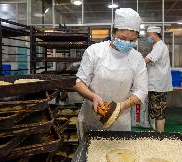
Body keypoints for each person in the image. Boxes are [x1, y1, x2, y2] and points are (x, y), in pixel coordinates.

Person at [74, 8, 148, 139]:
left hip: (120, 119)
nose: (127, 43)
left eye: (132, 40)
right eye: (122, 38)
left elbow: (141, 91)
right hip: (92, 116)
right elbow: (79, 83)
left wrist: (120, 107)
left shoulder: (137, 58)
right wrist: (93, 97)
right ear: (113, 32)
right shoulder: (95, 51)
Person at [144, 26, 173, 132]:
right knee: (155, 112)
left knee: (159, 113)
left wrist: (135, 63)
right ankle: (157, 135)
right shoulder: (156, 46)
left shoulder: (160, 46)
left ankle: (160, 137)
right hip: (155, 85)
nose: (148, 37)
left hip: (159, 86)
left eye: (149, 35)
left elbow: (147, 60)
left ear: (154, 34)